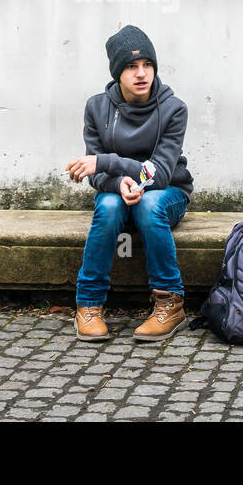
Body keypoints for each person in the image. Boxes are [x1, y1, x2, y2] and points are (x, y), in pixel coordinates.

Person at [65, 25, 193, 342]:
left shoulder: (174, 109)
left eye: (147, 65)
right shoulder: (97, 107)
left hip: (168, 192)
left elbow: (160, 172)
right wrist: (117, 180)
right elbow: (94, 174)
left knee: (149, 203)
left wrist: (109, 163)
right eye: (131, 67)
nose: (141, 74)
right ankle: (89, 305)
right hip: (117, 193)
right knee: (108, 206)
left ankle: (169, 302)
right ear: (117, 72)